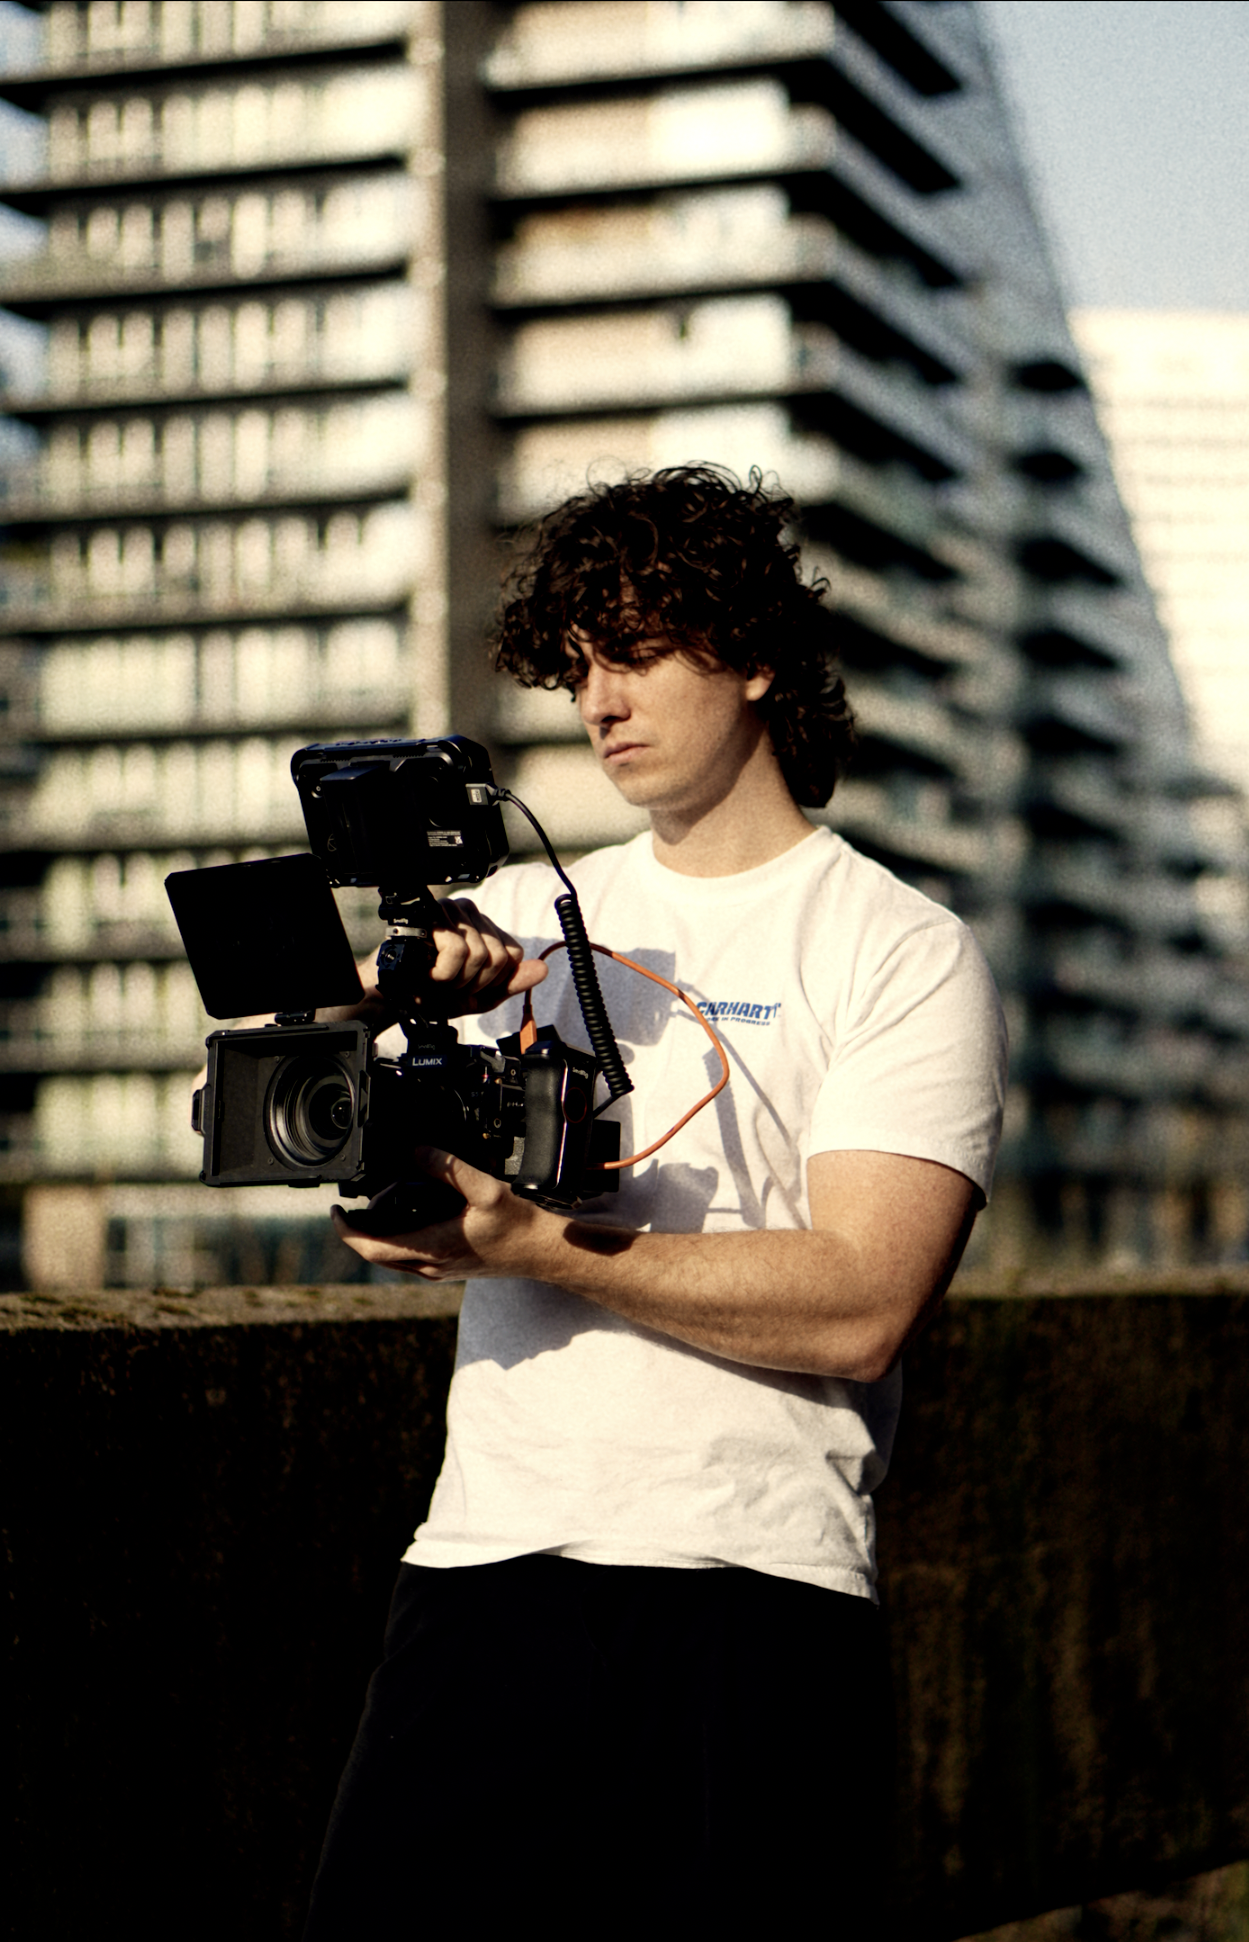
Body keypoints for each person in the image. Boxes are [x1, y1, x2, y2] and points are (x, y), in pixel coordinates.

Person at [302, 466, 1007, 1936]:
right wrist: (373, 1020)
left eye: (634, 653)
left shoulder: (898, 948)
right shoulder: (519, 927)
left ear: (755, 658)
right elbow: (364, 1195)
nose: (599, 702)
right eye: (578, 667)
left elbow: (865, 1302)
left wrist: (540, 1245)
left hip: (753, 1585)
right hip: (486, 1568)